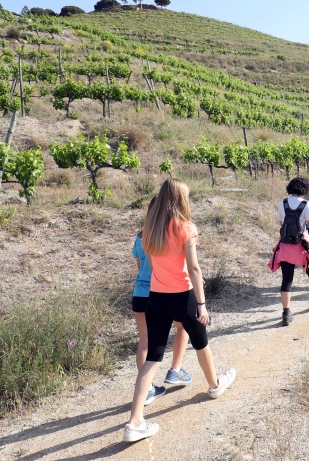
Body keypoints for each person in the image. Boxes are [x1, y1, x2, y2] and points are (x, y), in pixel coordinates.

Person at [124, 179, 236, 443]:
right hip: (183, 296)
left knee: (152, 358)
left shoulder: (149, 229)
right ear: (181, 200)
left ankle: (134, 422)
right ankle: (214, 386)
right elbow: (193, 268)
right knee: (201, 343)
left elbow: (152, 265)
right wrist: (202, 304)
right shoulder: (187, 228)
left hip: (156, 298)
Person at [132, 198, 191, 406]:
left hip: (139, 293)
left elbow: (140, 267)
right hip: (160, 292)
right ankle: (175, 370)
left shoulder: (141, 237)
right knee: (182, 327)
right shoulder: (166, 236)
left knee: (144, 342)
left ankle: (147, 388)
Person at [268, 177, 309, 326]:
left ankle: (286, 313)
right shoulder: (305, 204)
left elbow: (282, 224)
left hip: (285, 247)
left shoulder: (283, 203)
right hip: (302, 247)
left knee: (287, 280)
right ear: (304, 190)